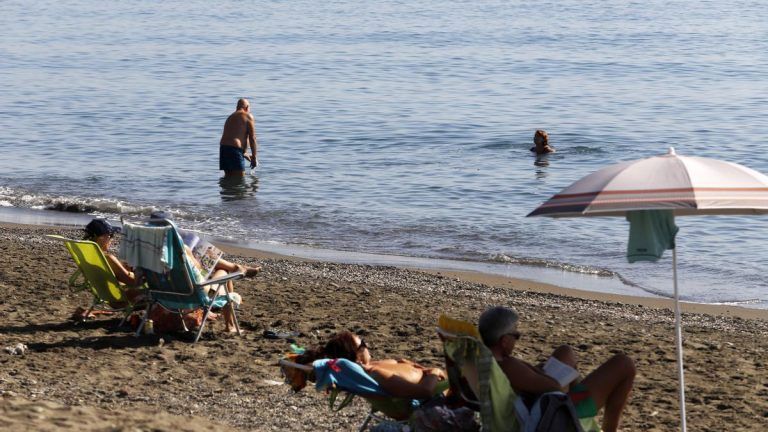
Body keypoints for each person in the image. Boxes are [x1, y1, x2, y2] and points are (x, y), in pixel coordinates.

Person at [478, 306, 635, 432]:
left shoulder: (486, 362)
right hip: (553, 418)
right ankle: (605, 427)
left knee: (565, 352)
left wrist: (530, 370)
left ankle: (586, 413)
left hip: (535, 408)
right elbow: (554, 387)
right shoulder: (508, 365)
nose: (517, 337)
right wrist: (531, 368)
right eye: (515, 335)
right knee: (624, 364)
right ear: (504, 341)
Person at [148, 211, 261, 332]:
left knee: (212, 264)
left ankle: (237, 268)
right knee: (223, 272)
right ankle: (230, 324)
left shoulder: (146, 252)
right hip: (194, 293)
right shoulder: (181, 249)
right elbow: (198, 270)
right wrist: (195, 258)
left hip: (162, 294)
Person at [295, 331, 448, 400]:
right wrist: (434, 372)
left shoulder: (370, 366)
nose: (367, 346)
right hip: (443, 395)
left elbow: (400, 363)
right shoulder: (376, 374)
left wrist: (413, 365)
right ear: (357, 355)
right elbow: (424, 392)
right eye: (363, 343)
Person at [83, 218, 143, 303]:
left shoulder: (87, 255)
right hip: (122, 298)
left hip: (108, 296)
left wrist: (124, 268)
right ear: (101, 237)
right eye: (111, 235)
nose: (112, 239)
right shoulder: (108, 258)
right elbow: (132, 282)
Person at [219, 98, 258, 177]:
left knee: (228, 179)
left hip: (223, 149)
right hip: (234, 150)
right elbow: (252, 138)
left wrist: (246, 155)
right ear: (247, 107)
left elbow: (233, 141)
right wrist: (254, 157)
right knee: (239, 179)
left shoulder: (230, 117)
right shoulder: (248, 116)